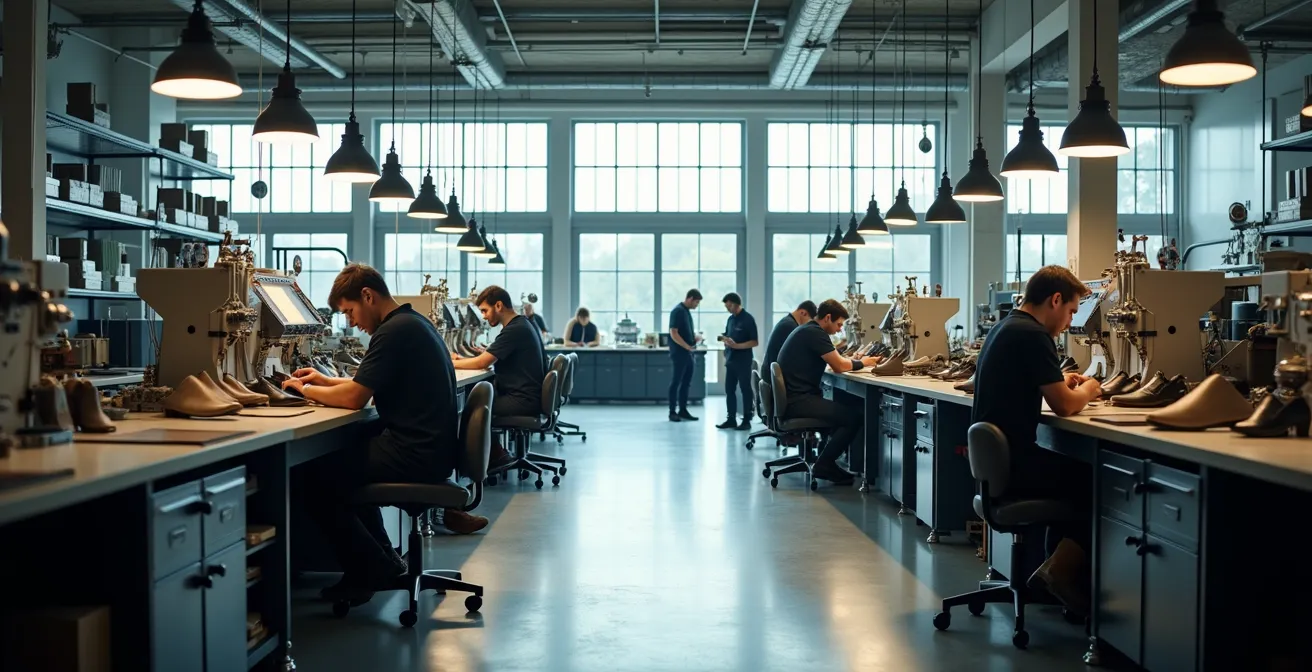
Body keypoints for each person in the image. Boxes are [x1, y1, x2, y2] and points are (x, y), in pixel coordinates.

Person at [282, 264, 487, 603]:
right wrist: (322, 381)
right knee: (341, 465)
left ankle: (369, 567)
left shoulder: (393, 332)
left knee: (312, 476)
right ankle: (382, 560)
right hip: (431, 451)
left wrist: (301, 391)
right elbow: (367, 384)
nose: (351, 322)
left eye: (350, 311)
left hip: (413, 454)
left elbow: (354, 398)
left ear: (367, 295)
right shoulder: (413, 323)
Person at [971, 264, 1101, 615]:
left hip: (999, 468)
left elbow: (1029, 385)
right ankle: (1060, 572)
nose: (1070, 322)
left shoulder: (1006, 327)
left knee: (1070, 476)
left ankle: (1052, 572)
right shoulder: (1033, 335)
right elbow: (1063, 406)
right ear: (1055, 300)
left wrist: (1058, 379)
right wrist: (1090, 387)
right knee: (1097, 481)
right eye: (1072, 311)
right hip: (1017, 468)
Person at [774, 299, 882, 484]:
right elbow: (839, 366)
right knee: (853, 418)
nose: (840, 329)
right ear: (828, 318)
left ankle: (827, 459)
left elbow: (836, 359)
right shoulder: (815, 333)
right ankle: (824, 464)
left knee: (846, 408)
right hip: (799, 401)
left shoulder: (808, 330)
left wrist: (850, 360)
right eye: (839, 324)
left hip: (795, 398)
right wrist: (866, 362)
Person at [452, 285, 547, 466]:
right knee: (477, 398)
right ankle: (493, 452)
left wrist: (450, 363)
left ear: (498, 306)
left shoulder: (514, 330)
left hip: (522, 400)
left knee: (470, 409)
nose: (484, 316)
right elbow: (489, 357)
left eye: (485, 311)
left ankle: (490, 456)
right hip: (528, 396)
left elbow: (482, 363)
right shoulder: (521, 324)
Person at [716, 292, 759, 431]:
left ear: (735, 304)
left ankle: (747, 420)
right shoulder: (730, 319)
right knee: (729, 390)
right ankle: (731, 419)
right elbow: (729, 335)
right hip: (731, 360)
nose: (727, 309)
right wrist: (726, 342)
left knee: (745, 389)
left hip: (743, 361)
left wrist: (737, 346)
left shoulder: (748, 319)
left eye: (728, 306)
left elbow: (754, 341)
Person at [667, 289, 703, 422]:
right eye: (696, 302)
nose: (696, 305)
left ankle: (683, 410)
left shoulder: (686, 312)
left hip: (688, 353)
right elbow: (674, 333)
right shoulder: (677, 311)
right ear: (690, 298)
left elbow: (683, 331)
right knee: (676, 382)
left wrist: (694, 338)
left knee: (686, 383)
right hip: (680, 353)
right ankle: (672, 412)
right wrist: (686, 346)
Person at [762, 301, 817, 375]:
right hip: (773, 377)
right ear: (803, 313)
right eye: (809, 322)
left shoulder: (786, 322)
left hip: (769, 373)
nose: (809, 325)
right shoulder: (791, 327)